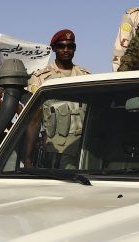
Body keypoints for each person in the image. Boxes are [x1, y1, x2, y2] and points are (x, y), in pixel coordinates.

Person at [23, 30, 90, 168]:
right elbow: (35, 118)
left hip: (85, 148)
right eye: (61, 46)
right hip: (56, 150)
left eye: (70, 46)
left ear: (75, 48)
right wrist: (28, 157)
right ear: (53, 48)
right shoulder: (41, 78)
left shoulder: (86, 76)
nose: (66, 50)